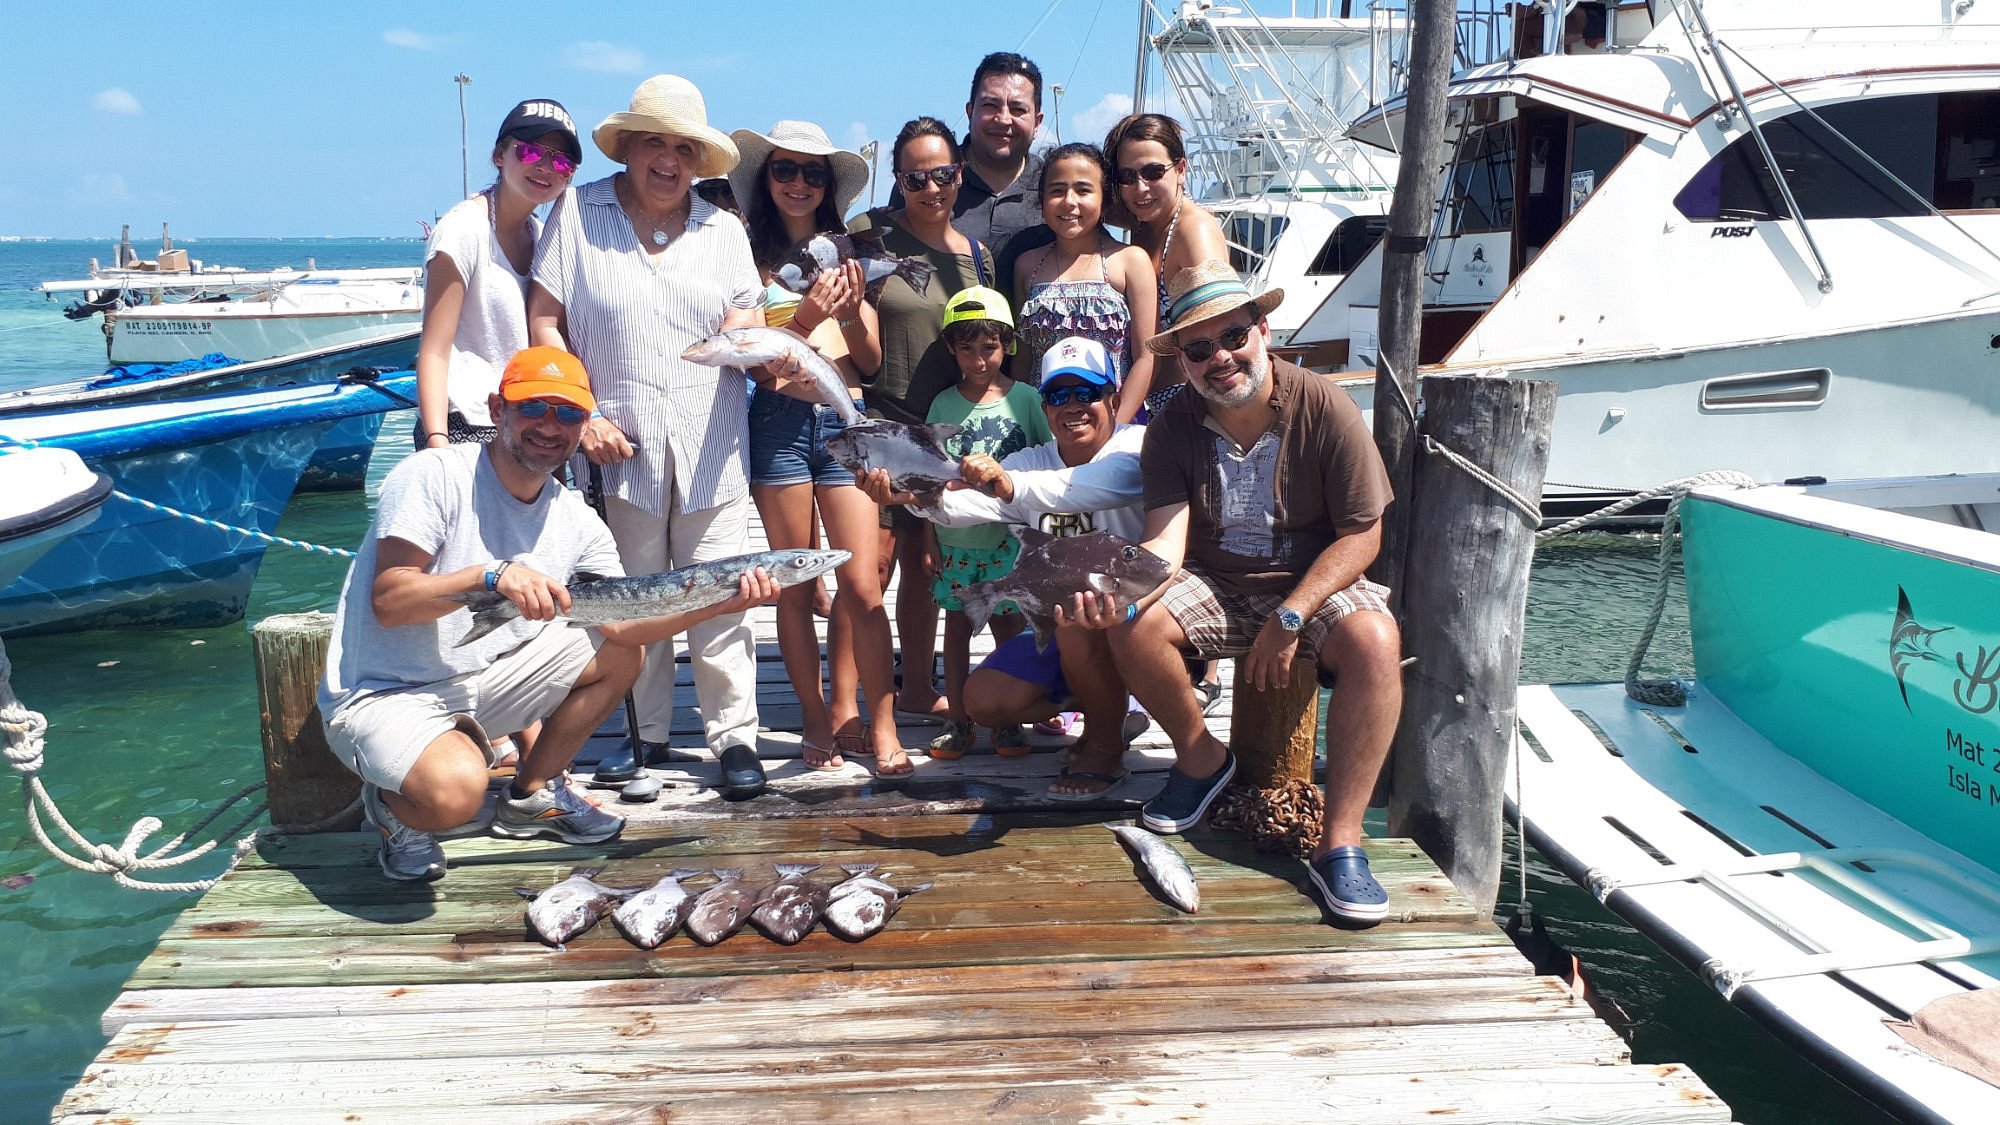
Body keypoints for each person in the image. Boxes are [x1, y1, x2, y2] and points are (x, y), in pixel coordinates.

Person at [319, 347, 779, 882]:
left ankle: (531, 795)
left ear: (584, 427)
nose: (549, 426)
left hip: (479, 684)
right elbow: (391, 602)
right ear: (498, 409)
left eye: (568, 415)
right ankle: (393, 812)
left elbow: (624, 626)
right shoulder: (433, 473)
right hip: (384, 693)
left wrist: (720, 602)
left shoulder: (574, 517)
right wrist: (490, 576)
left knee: (617, 652)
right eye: (533, 407)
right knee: (454, 796)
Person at [1086, 260, 1404, 927]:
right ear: (1184, 363)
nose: (1219, 358)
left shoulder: (1325, 404)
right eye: (1199, 349)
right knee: (1133, 620)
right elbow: (1165, 544)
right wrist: (1118, 592)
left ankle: (1340, 842)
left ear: (1263, 330)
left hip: (1310, 584)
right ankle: (1203, 760)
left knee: (1377, 641)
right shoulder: (1172, 424)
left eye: (1233, 337)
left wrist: (1291, 615)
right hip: (1218, 582)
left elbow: (1363, 535)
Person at [527, 75, 772, 799]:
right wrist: (584, 416)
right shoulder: (576, 210)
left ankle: (735, 738)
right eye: (655, 144)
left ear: (700, 159)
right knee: (634, 600)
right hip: (615, 446)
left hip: (713, 438)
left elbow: (746, 320)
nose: (669, 160)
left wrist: (748, 334)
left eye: (683, 148)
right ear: (629, 147)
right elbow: (546, 319)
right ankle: (647, 735)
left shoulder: (723, 229)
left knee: (724, 593)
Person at [865, 336, 1148, 799]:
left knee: (1079, 622)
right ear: (1044, 404)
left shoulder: (1136, 447)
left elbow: (1095, 486)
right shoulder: (1031, 461)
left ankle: (1105, 743)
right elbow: (966, 504)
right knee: (983, 702)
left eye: (1087, 393)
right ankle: (1097, 701)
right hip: (1059, 626)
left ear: (1113, 397)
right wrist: (911, 496)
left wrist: (1008, 483)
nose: (1072, 406)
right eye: (1058, 395)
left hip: (1131, 628)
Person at [728, 119, 907, 777]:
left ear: (829, 186)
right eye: (785, 170)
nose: (799, 183)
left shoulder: (851, 251)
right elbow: (759, 369)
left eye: (813, 173)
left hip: (845, 418)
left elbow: (870, 357)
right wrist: (803, 320)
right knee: (796, 585)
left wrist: (854, 308)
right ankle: (812, 715)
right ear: (765, 180)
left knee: (861, 584)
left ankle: (873, 719)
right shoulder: (748, 259)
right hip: (776, 421)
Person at [864, 116, 1000, 726]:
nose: (931, 187)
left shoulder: (978, 255)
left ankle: (920, 685)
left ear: (959, 174)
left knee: (928, 565)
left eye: (943, 174)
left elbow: (991, 338)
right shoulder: (870, 234)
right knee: (873, 568)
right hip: (883, 426)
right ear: (899, 181)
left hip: (947, 434)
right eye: (916, 177)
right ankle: (863, 703)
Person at [1103, 111, 1233, 710]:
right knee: (1158, 533)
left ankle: (1203, 675)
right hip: (1160, 400)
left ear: (1180, 169)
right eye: (1126, 177)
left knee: (1197, 530)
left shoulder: (1194, 231)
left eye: (1152, 172)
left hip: (1194, 401)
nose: (1139, 188)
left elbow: (1219, 325)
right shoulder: (1142, 234)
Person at [920, 286, 1051, 759]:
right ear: (951, 350)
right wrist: (928, 538)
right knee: (956, 629)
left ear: (1008, 346)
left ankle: (1007, 719)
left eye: (989, 347)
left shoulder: (1031, 400)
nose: (979, 360)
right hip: (955, 541)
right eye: (967, 348)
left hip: (1010, 544)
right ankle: (958, 718)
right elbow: (927, 481)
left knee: (1009, 627)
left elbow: (1050, 468)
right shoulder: (941, 406)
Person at [414, 99, 581, 449]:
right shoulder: (463, 231)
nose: (547, 168)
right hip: (465, 424)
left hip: (527, 422)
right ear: (499, 156)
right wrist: (437, 443)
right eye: (531, 152)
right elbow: (433, 350)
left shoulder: (541, 235)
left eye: (562, 161)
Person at [1011, 142, 1157, 421]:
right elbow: (1022, 362)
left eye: (1083, 190)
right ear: (1041, 203)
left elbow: (1147, 358)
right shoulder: (1026, 266)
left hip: (1116, 424)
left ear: (1104, 201)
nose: (1069, 201)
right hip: (1046, 426)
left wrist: (1114, 429)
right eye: (1057, 191)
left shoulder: (1129, 261)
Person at [881, 52, 1047, 271]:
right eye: (990, 105)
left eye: (1018, 109)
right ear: (970, 112)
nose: (1004, 119)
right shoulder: (922, 182)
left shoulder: (1055, 188)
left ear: (1037, 123)